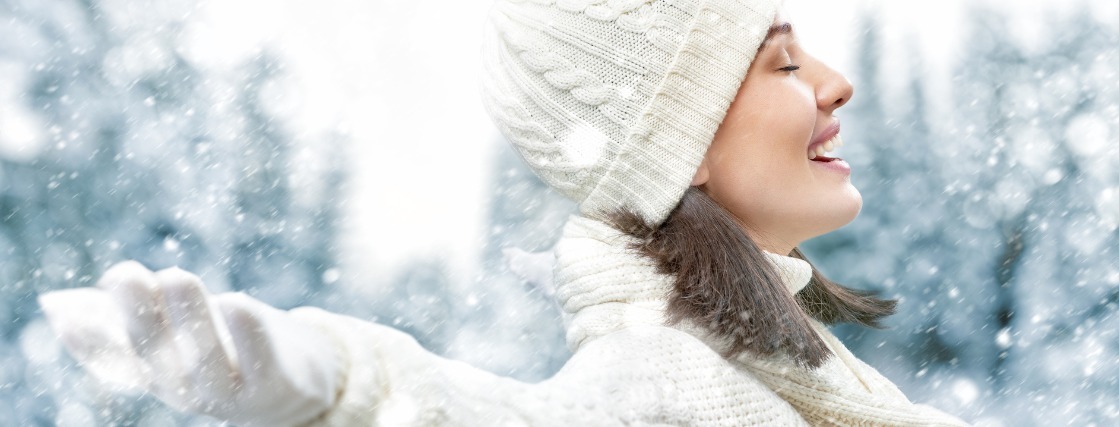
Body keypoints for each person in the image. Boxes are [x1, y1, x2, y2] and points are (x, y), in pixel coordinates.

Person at [38, 0, 970, 425]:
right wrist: (343, 383)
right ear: (672, 148)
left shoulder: (785, 370)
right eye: (782, 63)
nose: (836, 83)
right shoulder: (663, 374)